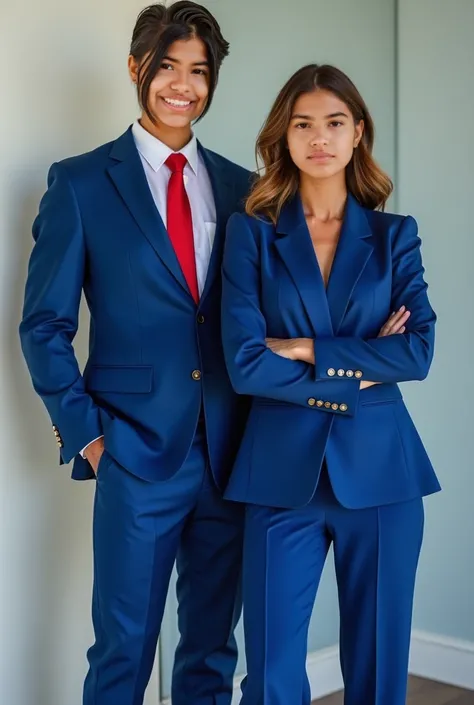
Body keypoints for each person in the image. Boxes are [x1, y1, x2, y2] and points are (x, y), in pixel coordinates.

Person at [19, 3, 252, 704]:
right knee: (122, 652)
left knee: (212, 653)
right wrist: (90, 438)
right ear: (136, 68)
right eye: (168, 67)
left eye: (199, 71)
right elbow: (43, 325)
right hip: (134, 454)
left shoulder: (243, 188)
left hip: (230, 454)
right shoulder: (83, 184)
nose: (183, 85)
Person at [221, 64, 441, 705]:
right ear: (283, 138)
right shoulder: (252, 235)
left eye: (335, 123)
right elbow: (244, 364)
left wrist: (307, 347)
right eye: (304, 124)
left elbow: (418, 352)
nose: (320, 138)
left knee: (378, 668)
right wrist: (360, 366)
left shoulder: (394, 236)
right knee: (269, 674)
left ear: (357, 133)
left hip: (383, 478)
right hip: (278, 476)